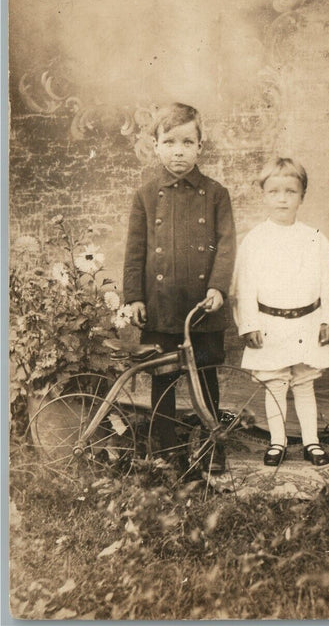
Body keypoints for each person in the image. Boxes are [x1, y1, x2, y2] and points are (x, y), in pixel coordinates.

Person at [123, 102, 236, 471]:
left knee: (205, 377)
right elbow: (135, 251)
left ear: (200, 146)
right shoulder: (145, 194)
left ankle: (211, 446)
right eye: (169, 142)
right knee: (164, 378)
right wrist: (134, 297)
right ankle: (165, 449)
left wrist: (218, 288)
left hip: (204, 306)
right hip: (161, 304)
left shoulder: (217, 193)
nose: (178, 151)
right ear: (155, 145)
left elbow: (226, 246)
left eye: (187, 142)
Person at [232, 157, 329, 467]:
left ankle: (311, 443)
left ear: (302, 196)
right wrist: (249, 324)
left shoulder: (315, 238)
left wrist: (328, 318)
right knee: (276, 384)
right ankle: (277, 441)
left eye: (290, 192)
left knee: (304, 383)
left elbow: (327, 283)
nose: (282, 199)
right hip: (270, 324)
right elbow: (244, 287)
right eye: (274, 191)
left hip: (306, 322)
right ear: (263, 194)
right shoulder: (254, 240)